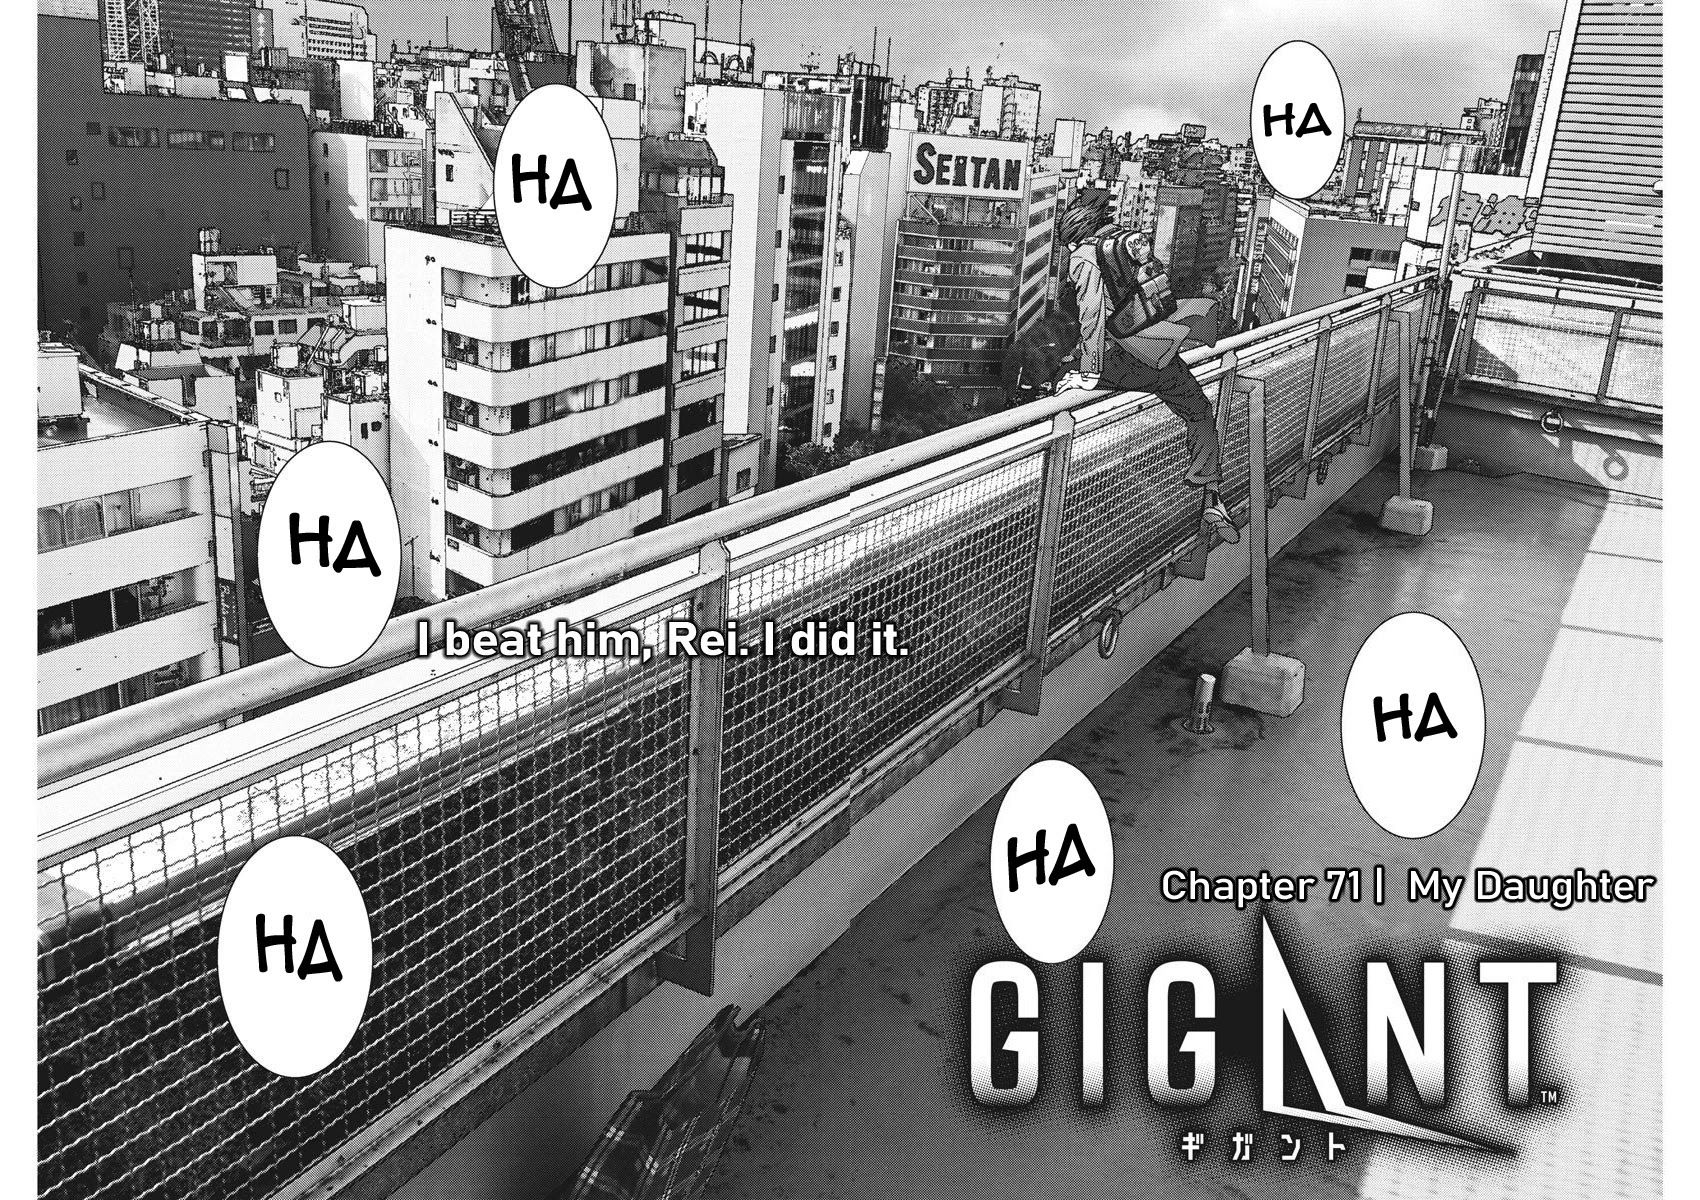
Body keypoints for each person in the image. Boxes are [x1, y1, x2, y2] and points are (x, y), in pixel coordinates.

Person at [1036, 190, 1238, 544]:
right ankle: (1211, 498)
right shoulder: (1127, 242)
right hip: (1158, 351)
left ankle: (1057, 508)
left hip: (1122, 360)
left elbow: (1092, 316)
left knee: (1062, 386)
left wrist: (1089, 374)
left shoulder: (1084, 257)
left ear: (1074, 236)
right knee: (1199, 410)